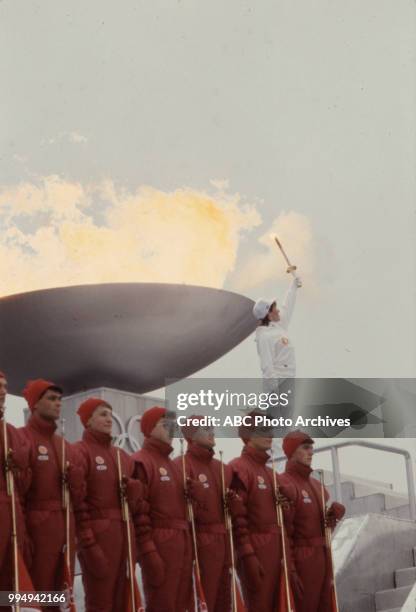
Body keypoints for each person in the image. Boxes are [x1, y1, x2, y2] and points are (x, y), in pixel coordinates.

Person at [73, 397, 143, 612]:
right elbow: (78, 502)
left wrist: (135, 492)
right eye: (102, 414)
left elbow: (139, 505)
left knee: (124, 600)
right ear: (88, 421)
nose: (109, 419)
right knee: (101, 601)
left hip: (123, 537)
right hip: (99, 537)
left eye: (110, 415)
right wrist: (89, 544)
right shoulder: (80, 451)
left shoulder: (121, 456)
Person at [131, 406, 204, 612]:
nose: (171, 430)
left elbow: (189, 514)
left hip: (182, 544)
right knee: (163, 603)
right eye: (165, 425)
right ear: (148, 429)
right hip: (160, 544)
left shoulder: (174, 466)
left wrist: (195, 499)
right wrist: (148, 551)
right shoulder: (141, 461)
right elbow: (139, 512)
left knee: (184, 604)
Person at [19, 379, 83, 612]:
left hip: (64, 529)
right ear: (35, 404)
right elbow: (17, 492)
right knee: (37, 594)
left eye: (60, 400)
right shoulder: (22, 438)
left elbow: (79, 497)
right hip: (38, 529)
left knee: (61, 594)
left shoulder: (65, 445)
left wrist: (76, 484)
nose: (58, 404)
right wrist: (25, 531)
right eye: (51, 399)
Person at [228, 412, 298, 612]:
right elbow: (236, 517)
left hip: (278, 551)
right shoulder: (238, 468)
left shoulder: (271, 473)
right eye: (263, 429)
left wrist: (286, 507)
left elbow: (287, 523)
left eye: (270, 428)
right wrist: (247, 554)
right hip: (257, 550)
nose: (270, 433)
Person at [279, 431, 345, 612]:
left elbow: (320, 529)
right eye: (305, 447)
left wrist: (333, 518)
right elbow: (285, 532)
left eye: (312, 448)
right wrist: (291, 568)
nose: (311, 452)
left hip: (323, 558)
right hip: (302, 560)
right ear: (292, 451)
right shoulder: (284, 483)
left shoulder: (317, 485)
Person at [174, 415, 232, 612]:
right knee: (205, 598)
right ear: (191, 435)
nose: (212, 431)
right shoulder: (181, 465)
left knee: (225, 599)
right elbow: (176, 509)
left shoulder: (223, 468)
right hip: (200, 541)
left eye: (212, 426)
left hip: (225, 541)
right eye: (206, 427)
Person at [252, 271, 302, 458]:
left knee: (287, 427)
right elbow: (267, 367)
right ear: (268, 314)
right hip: (277, 384)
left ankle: (285, 465)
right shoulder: (263, 336)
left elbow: (287, 307)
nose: (278, 310)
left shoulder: (279, 327)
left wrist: (294, 285)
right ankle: (277, 468)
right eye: (275, 308)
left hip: (288, 382)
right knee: (278, 428)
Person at [0, 371, 31, 612]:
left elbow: (24, 487)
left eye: (5, 387)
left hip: (12, 519)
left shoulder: (11, 432)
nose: (3, 392)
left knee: (11, 589)